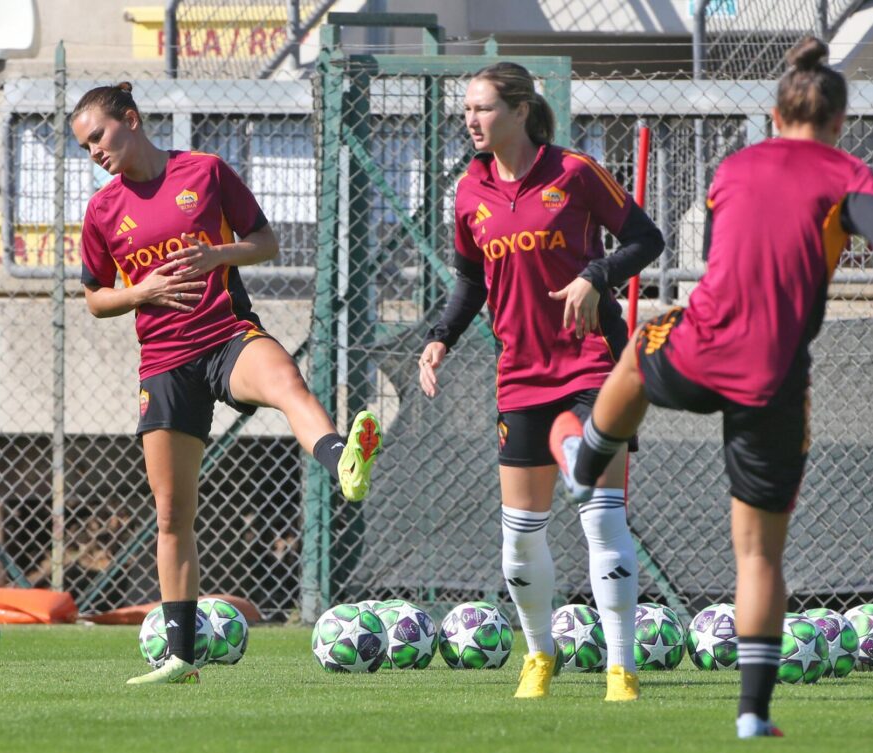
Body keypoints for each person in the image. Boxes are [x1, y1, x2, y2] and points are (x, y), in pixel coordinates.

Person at [550, 37, 873, 737]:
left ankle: (587, 463)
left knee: (636, 351)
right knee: (758, 555)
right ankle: (753, 713)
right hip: (773, 377)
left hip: (699, 346)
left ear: (775, 114)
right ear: (840, 122)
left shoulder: (734, 166)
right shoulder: (849, 174)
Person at [71, 82, 383, 685]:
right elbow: (94, 298)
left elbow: (265, 243)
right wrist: (142, 292)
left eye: (99, 137)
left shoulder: (206, 171)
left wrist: (218, 256)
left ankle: (343, 459)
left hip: (225, 335)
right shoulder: (103, 210)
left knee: (287, 381)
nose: (94, 153)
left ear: (131, 120)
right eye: (85, 147)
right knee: (172, 514)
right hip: (165, 363)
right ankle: (180, 657)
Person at [418, 62, 664, 701]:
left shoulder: (574, 173)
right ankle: (539, 656)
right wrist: (441, 336)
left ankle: (620, 668)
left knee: (601, 521)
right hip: (520, 376)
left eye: (483, 108)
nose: (471, 120)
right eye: (467, 110)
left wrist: (595, 276)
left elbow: (646, 239)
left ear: (522, 111)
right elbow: (470, 279)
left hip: (591, 366)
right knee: (519, 540)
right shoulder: (469, 191)